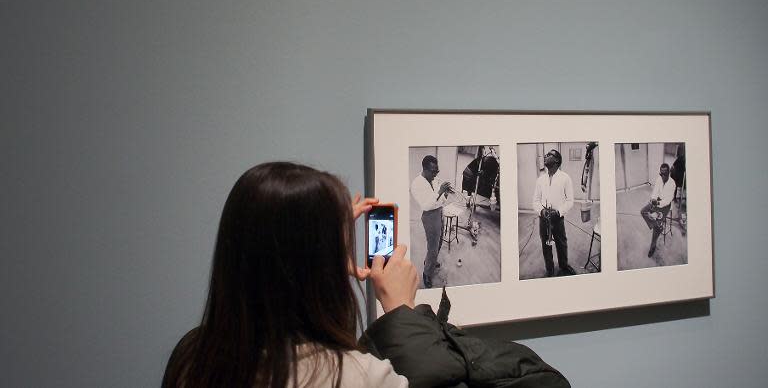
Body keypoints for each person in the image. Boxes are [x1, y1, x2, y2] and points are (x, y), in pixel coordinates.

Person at [163, 161, 570, 388]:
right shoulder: (353, 376)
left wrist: (325, 235)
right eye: (341, 241)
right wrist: (401, 311)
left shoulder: (194, 357)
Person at [409, 155, 451, 288]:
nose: (436, 174)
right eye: (433, 171)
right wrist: (439, 192)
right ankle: (427, 273)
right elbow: (426, 206)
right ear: (425, 169)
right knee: (432, 247)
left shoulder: (433, 179)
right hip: (429, 215)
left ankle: (431, 260)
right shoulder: (416, 184)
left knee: (439, 241)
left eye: (437, 171)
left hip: (439, 211)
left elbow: (440, 201)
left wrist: (445, 194)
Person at [533, 149, 576, 277]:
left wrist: (558, 212)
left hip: (557, 218)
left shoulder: (565, 178)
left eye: (550, 155)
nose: (546, 156)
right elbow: (535, 201)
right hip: (544, 218)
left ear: (557, 160)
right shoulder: (540, 180)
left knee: (561, 243)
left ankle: (563, 266)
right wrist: (542, 211)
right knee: (545, 243)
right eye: (546, 154)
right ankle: (549, 269)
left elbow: (570, 201)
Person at [641, 163, 676, 257]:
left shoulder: (672, 184)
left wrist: (658, 204)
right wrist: (653, 200)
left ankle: (653, 246)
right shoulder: (659, 179)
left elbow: (668, 200)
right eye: (661, 174)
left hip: (666, 205)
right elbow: (655, 192)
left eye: (664, 174)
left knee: (655, 229)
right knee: (643, 211)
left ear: (669, 173)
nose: (662, 176)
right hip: (657, 201)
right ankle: (657, 225)